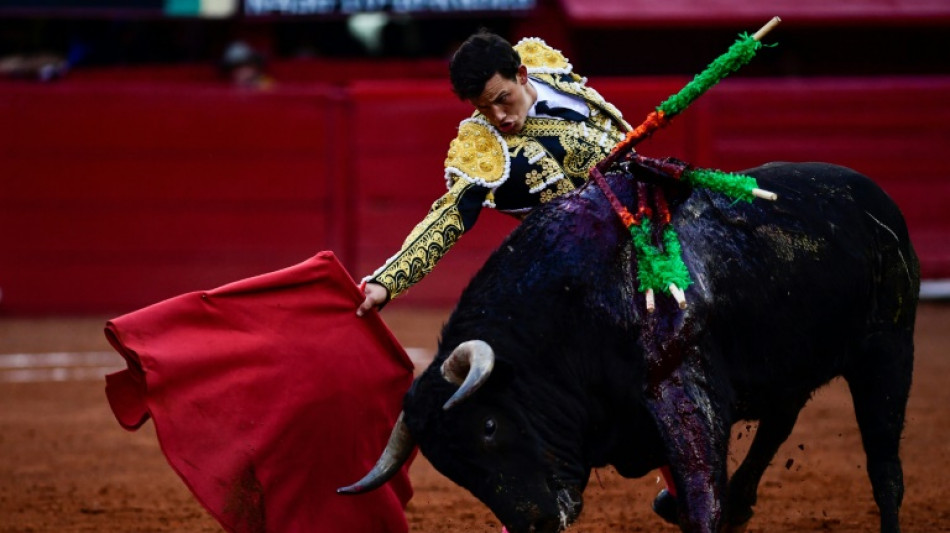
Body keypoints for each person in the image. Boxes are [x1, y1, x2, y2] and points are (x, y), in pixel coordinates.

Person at [358, 30, 630, 316]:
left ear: (522, 75)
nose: (498, 116)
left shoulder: (542, 62)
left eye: (503, 99)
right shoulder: (483, 145)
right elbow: (449, 216)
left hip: (647, 212)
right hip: (590, 268)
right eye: (484, 107)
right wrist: (387, 282)